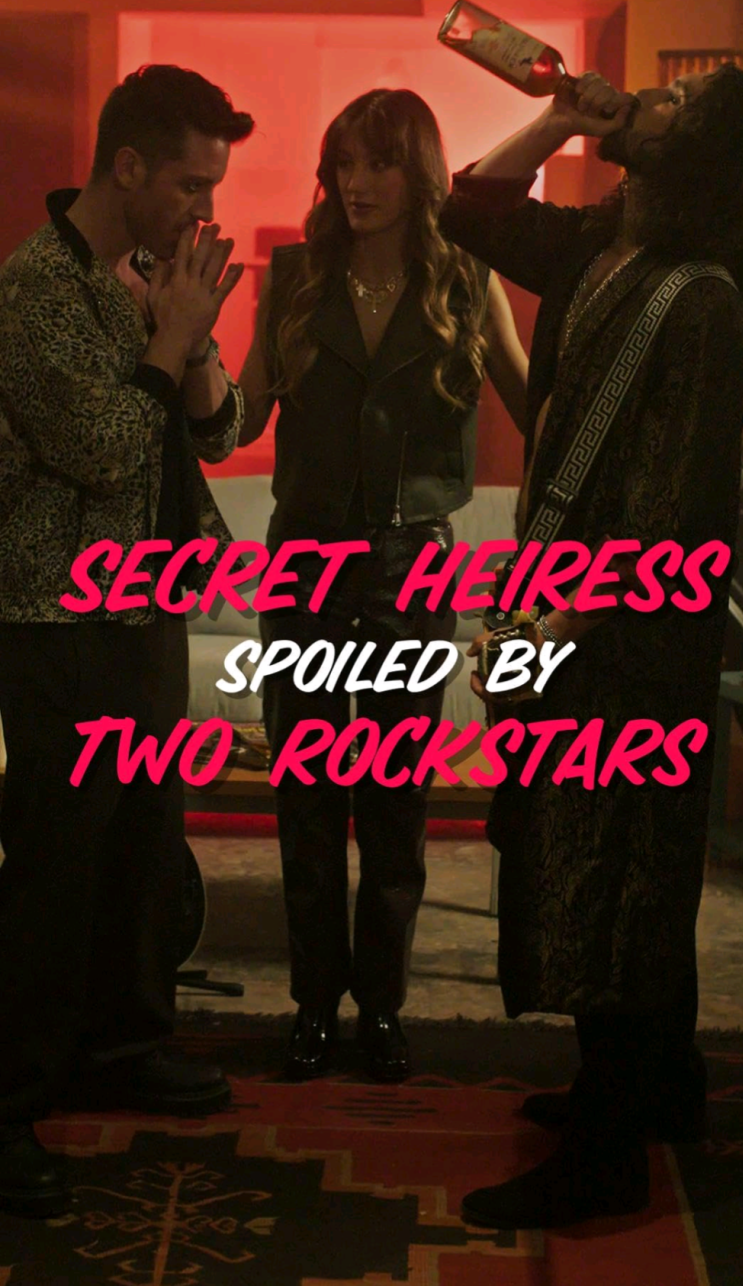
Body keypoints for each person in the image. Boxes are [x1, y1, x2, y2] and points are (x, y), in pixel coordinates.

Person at [438, 62, 743, 1228]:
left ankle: (609, 1152)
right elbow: (471, 207)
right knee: (584, 855)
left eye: (677, 104)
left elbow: (669, 511)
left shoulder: (706, 300)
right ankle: (652, 1085)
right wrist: (556, 120)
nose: (644, 101)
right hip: (573, 612)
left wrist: (559, 621)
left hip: (628, 636)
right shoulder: (600, 240)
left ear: (701, 156)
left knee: (613, 875)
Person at [0, 64, 254, 1217]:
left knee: (145, 844)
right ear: (129, 164)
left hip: (146, 604)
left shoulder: (148, 273)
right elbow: (102, 444)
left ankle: (124, 1043)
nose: (204, 207)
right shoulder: (33, 287)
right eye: (192, 183)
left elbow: (217, 427)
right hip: (55, 613)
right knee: (55, 861)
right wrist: (171, 337)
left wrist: (191, 338)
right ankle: (10, 1097)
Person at [238, 88, 528, 1083]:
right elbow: (240, 418)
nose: (355, 183)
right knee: (309, 791)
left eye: (379, 162)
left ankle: (384, 1007)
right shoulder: (295, 275)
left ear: (421, 172)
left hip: (414, 561)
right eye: (344, 163)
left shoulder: (464, 276)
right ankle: (315, 1002)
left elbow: (540, 406)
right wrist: (183, 345)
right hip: (306, 560)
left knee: (397, 796)